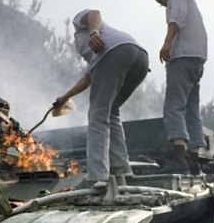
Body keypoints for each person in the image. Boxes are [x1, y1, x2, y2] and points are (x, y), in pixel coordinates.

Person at [55, 10, 148, 189]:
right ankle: (121, 168)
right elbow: (88, 78)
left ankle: (98, 176)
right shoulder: (93, 55)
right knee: (111, 110)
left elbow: (93, 13)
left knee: (97, 117)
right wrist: (65, 97)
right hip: (139, 58)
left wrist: (94, 32)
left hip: (115, 53)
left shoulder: (82, 27)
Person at [154, 0, 207, 175]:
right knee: (192, 111)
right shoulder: (192, 5)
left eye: (163, 1)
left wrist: (167, 42)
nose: (165, 6)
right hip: (197, 61)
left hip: (182, 58)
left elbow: (176, 18)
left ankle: (179, 157)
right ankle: (194, 159)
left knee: (173, 107)